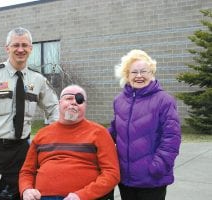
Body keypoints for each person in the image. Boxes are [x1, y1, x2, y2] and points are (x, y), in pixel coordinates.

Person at [0, 27, 59, 200]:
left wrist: (51, 140)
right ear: (7, 48)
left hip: (21, 151)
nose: (20, 49)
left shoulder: (38, 80)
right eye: (16, 45)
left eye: (25, 45)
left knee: (15, 196)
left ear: (31, 48)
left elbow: (54, 109)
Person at [19, 85, 120, 200]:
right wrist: (26, 189)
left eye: (79, 100)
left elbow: (112, 173)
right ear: (59, 103)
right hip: (43, 196)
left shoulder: (99, 133)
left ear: (85, 106)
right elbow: (27, 171)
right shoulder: (42, 134)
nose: (74, 102)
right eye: (69, 98)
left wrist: (82, 195)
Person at [108, 49, 181, 200]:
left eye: (144, 71)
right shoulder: (119, 101)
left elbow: (172, 138)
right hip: (125, 178)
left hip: (152, 180)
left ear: (152, 73)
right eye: (134, 72)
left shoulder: (164, 100)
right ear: (127, 75)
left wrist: (157, 167)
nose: (139, 76)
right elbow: (114, 131)